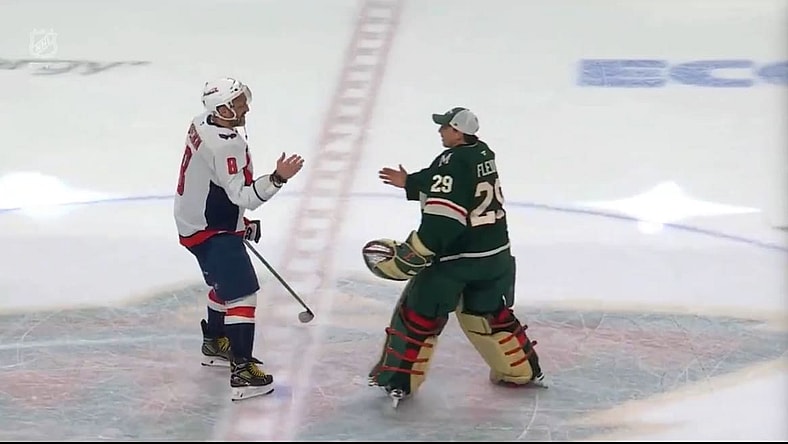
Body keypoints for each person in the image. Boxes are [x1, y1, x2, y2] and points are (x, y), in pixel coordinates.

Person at [362, 106, 546, 406]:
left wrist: (416, 252)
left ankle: (399, 381)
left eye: (445, 127)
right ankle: (522, 370)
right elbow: (446, 180)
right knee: (487, 315)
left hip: (456, 262)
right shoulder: (482, 153)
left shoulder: (452, 162)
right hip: (496, 256)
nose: (440, 131)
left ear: (458, 132)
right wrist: (410, 182)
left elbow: (445, 219)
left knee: (418, 315)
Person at [173, 77, 304, 401]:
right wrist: (277, 179)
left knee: (224, 284)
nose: (246, 106)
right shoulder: (227, 144)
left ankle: (216, 342)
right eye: (240, 101)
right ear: (223, 108)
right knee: (243, 295)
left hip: (198, 220)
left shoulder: (201, 122)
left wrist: (237, 223)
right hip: (210, 229)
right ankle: (243, 371)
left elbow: (214, 184)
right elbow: (243, 195)